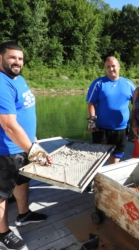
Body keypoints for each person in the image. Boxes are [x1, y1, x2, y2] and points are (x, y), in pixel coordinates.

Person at [0, 41, 52, 250]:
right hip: (6, 151)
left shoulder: (17, 79)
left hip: (23, 147)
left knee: (22, 182)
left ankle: (24, 214)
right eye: (12, 57)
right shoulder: (1, 83)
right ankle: (2, 234)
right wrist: (34, 150)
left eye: (20, 59)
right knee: (2, 195)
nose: (17, 62)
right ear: (0, 58)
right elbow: (9, 126)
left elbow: (22, 111)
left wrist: (31, 137)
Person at [86, 56, 135, 164]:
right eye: (108, 67)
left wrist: (136, 122)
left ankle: (110, 179)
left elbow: (136, 104)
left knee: (116, 157)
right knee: (97, 158)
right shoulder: (98, 83)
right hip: (101, 129)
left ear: (119, 66)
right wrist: (91, 123)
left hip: (121, 129)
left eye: (113, 66)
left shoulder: (129, 84)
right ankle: (96, 179)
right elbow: (91, 103)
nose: (111, 69)